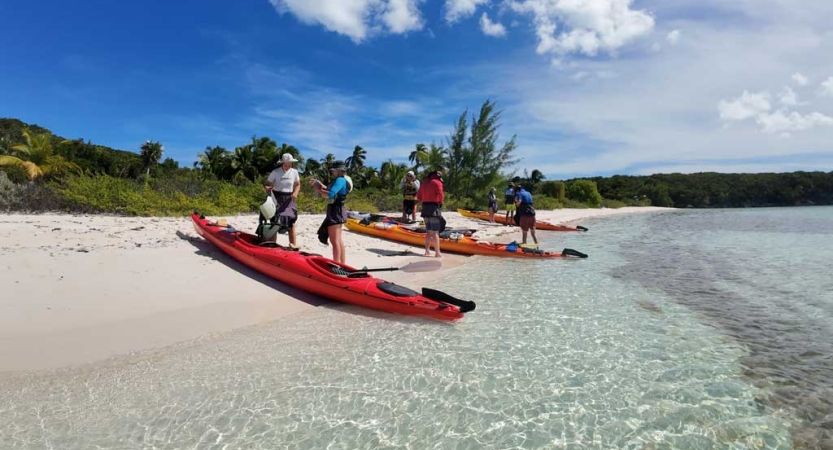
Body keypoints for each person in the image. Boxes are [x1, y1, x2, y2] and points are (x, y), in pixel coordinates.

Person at [311, 160, 350, 263]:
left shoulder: (340, 180)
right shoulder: (340, 180)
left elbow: (329, 194)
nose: (332, 172)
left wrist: (318, 189)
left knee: (335, 241)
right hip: (338, 211)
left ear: (339, 171)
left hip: (335, 211)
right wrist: (319, 184)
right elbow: (328, 189)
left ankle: (336, 264)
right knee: (338, 240)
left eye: (333, 170)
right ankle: (341, 263)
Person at [263, 153, 301, 247]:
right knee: (274, 221)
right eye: (286, 164)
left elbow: (298, 184)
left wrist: (295, 192)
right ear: (282, 163)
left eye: (289, 164)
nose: (288, 166)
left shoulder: (294, 172)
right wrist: (268, 188)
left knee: (291, 221)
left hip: (289, 198)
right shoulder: (275, 172)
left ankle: (293, 245)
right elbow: (267, 183)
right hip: (276, 197)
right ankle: (272, 244)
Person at [416, 169, 445, 258]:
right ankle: (437, 253)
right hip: (433, 208)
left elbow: (418, 197)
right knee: (435, 232)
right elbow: (440, 194)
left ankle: (427, 251)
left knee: (428, 232)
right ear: (438, 177)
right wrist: (440, 202)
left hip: (425, 208)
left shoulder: (423, 183)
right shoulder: (438, 182)